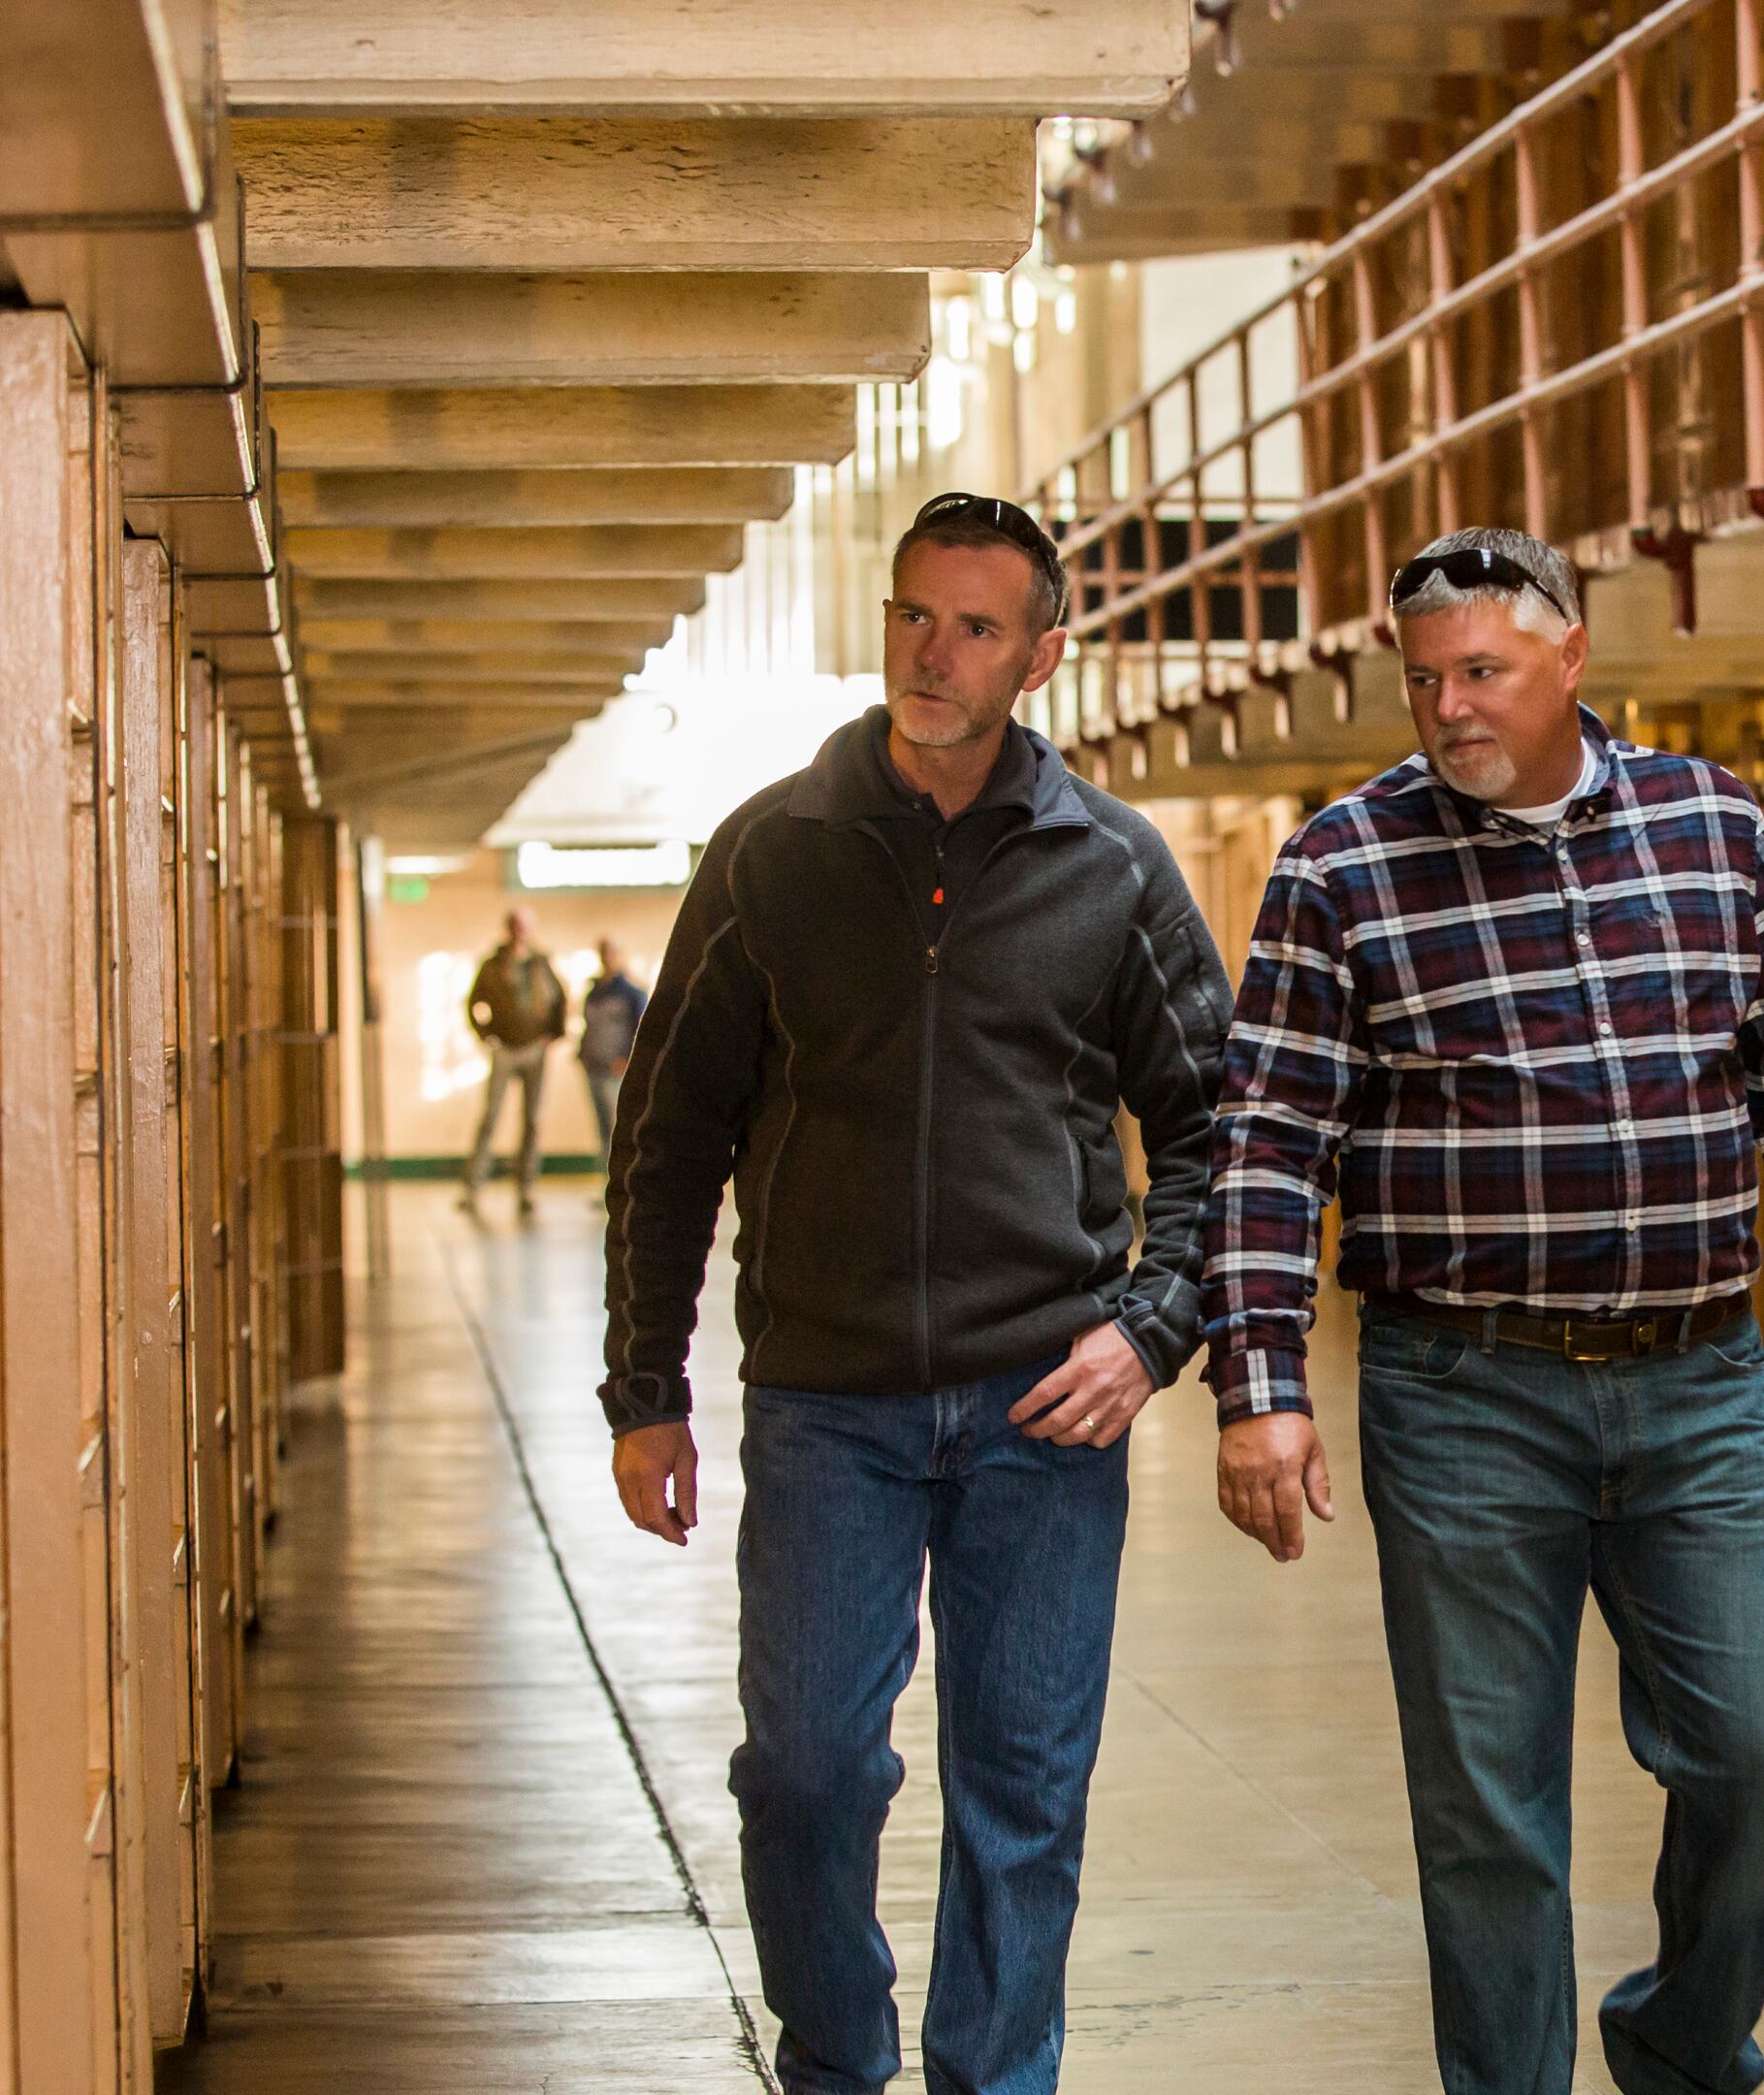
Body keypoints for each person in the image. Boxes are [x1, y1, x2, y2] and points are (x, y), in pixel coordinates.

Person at [1203, 526, 1764, 2095]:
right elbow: (1269, 1143)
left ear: (1572, 657)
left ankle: (1678, 2045)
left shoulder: (1710, 827)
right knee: (1488, 1817)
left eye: (1483, 670)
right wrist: (1262, 1384)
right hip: (1462, 1393)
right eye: (1424, 680)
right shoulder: (1343, 866)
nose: (1450, 707)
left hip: (1699, 1385)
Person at [600, 490, 1235, 2095]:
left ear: (1041, 655)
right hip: (829, 1405)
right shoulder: (774, 852)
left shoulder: (1113, 865)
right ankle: (835, 2063)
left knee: (1022, 1792)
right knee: (806, 1772)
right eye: (911, 617)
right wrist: (647, 1388)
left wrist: (1150, 1332)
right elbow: (670, 1137)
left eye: (973, 627)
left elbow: (1220, 1135)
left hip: (1049, 1409)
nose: (931, 653)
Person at [461, 907, 566, 1215]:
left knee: (532, 1120)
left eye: (524, 925)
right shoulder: (493, 965)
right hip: (505, 1049)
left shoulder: (541, 963)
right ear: (508, 928)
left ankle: (526, 1187)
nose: (520, 930)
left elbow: (560, 1000)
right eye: (515, 925)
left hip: (535, 1049)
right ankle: (473, 1187)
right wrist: (486, 1036)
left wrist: (553, 1034)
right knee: (490, 1116)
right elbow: (473, 1002)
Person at [576, 937, 649, 1157]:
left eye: (611, 952)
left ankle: (623, 1176)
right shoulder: (594, 993)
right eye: (603, 953)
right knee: (602, 1129)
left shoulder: (632, 994)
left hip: (617, 1070)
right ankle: (605, 1176)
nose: (606, 958)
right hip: (593, 1067)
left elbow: (642, 1031)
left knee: (619, 1128)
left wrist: (627, 1058)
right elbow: (588, 1026)